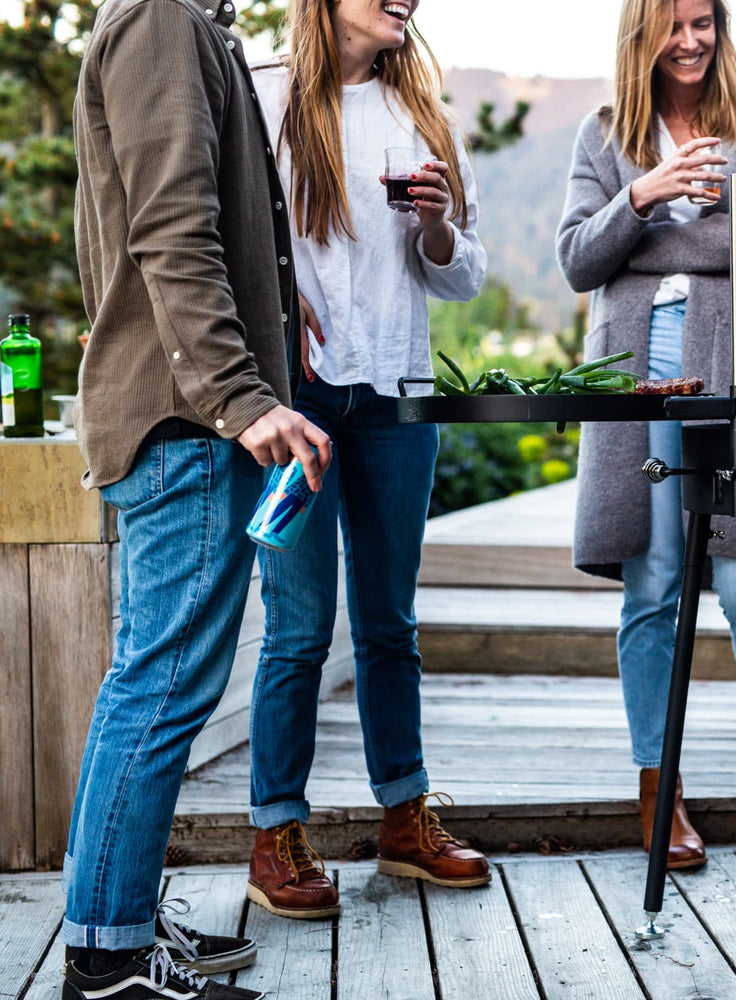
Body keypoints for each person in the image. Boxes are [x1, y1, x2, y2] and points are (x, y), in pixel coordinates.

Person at [65, 0, 332, 996]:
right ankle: (107, 953)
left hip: (186, 417)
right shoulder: (161, 18)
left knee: (153, 681)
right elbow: (171, 225)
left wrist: (271, 304)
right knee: (161, 685)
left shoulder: (178, 22)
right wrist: (239, 396)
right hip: (185, 424)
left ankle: (117, 918)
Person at [244, 0, 490, 919]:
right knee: (298, 626)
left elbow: (463, 274)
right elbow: (224, 237)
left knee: (389, 621)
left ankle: (403, 818)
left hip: (395, 394)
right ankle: (275, 833)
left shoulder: (424, 113)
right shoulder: (261, 95)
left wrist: (435, 229)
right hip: (290, 403)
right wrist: (273, 302)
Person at [557, 0, 736, 869]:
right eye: (674, 25)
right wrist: (642, 195)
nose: (691, 40)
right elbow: (579, 259)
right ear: (642, 34)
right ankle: (657, 789)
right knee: (654, 585)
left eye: (704, 22)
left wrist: (649, 240)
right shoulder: (602, 135)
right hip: (636, 378)